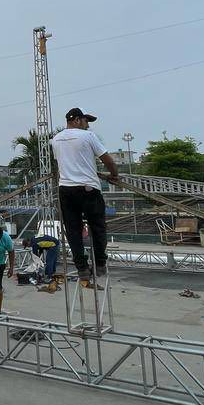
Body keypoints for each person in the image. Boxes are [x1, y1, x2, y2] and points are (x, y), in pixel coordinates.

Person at [50, 107, 121, 289]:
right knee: (97, 227)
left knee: (73, 230)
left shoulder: (56, 139)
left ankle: (82, 267)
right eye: (86, 121)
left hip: (66, 189)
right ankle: (100, 263)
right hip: (88, 188)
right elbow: (108, 160)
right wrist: (114, 175)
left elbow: (63, 162)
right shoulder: (88, 136)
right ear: (77, 120)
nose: (87, 125)